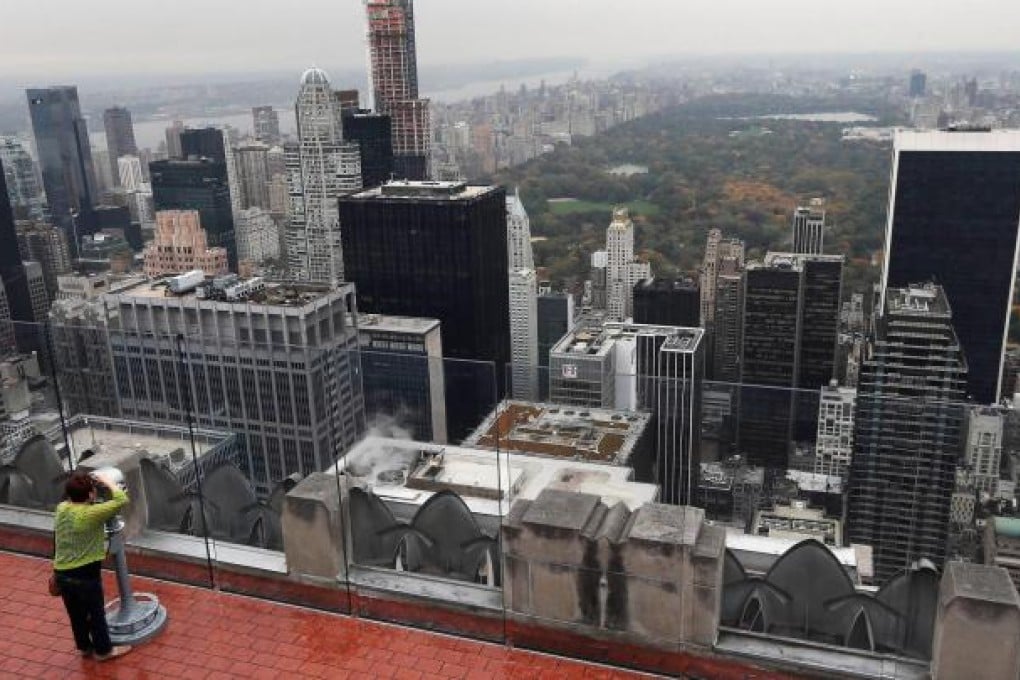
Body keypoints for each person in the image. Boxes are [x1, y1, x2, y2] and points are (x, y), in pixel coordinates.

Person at [52, 468, 132, 661]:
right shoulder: (92, 514)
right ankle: (103, 651)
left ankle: (84, 647)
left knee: (76, 614)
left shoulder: (62, 508)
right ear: (90, 495)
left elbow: (73, 499)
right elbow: (121, 500)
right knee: (95, 612)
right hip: (85, 573)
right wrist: (108, 482)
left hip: (61, 572)